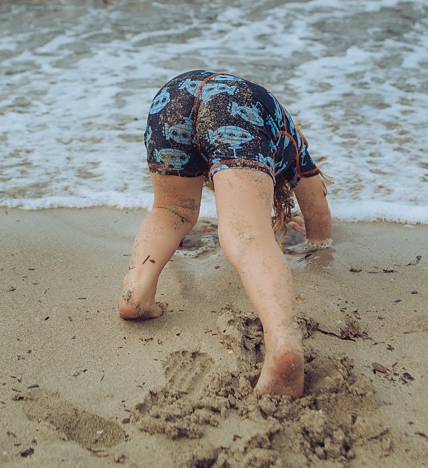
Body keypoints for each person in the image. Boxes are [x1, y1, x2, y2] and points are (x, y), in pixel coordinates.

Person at [118, 70, 334, 397]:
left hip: (173, 95)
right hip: (234, 107)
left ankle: (136, 294)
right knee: (247, 233)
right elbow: (317, 204)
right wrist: (319, 242)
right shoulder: (289, 141)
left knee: (171, 210)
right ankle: (283, 341)